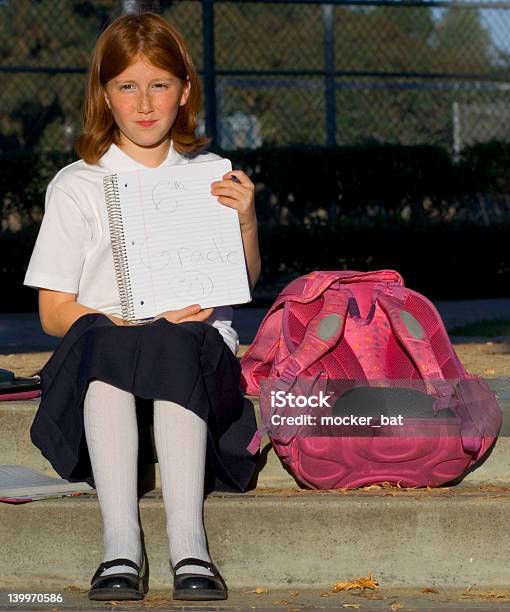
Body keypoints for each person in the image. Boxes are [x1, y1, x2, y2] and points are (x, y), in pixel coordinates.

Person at [23, 11, 261, 603]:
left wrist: (247, 219)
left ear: (184, 93)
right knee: (109, 354)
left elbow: (244, 280)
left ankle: (190, 548)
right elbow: (53, 311)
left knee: (176, 344)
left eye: (159, 84)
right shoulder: (78, 183)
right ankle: (120, 546)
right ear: (105, 96)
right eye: (127, 86)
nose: (145, 102)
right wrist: (120, 321)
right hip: (109, 351)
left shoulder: (210, 175)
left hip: (194, 355)